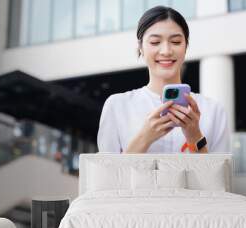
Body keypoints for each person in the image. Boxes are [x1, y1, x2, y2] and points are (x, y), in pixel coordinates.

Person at [97, 6, 230, 154]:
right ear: (140, 47)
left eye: (176, 42)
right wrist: (144, 138)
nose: (166, 51)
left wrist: (195, 136)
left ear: (186, 46)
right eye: (155, 42)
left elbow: (219, 175)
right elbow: (107, 174)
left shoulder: (213, 110)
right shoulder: (117, 106)